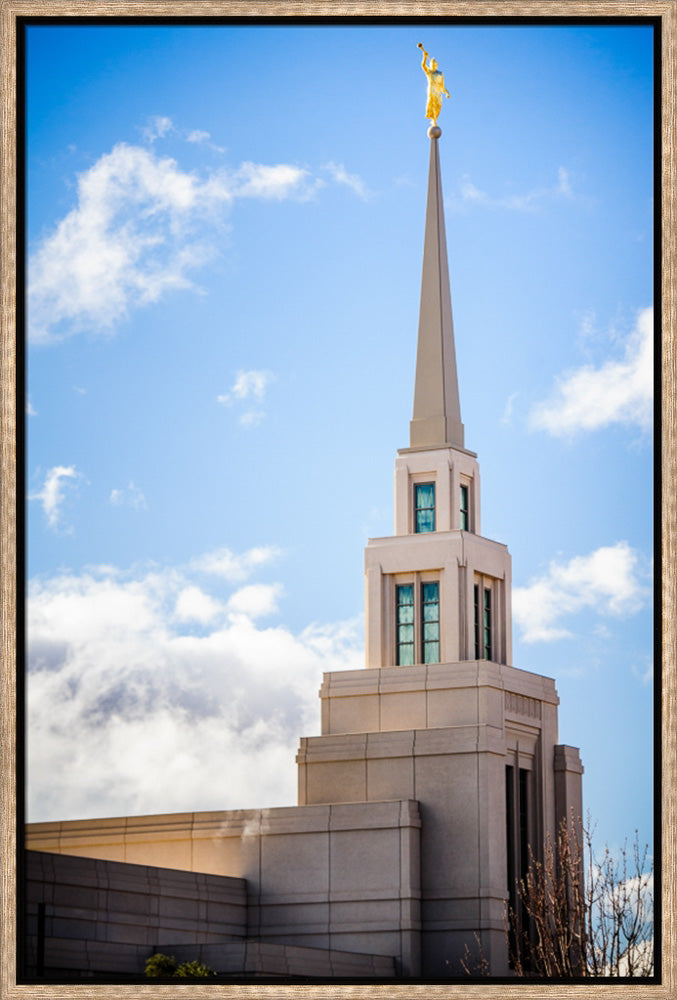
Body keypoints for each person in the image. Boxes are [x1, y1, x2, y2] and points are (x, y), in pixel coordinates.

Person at [418, 43, 450, 124]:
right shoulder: (429, 72)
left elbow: (442, 86)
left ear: (436, 65)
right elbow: (423, 66)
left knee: (438, 105)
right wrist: (424, 57)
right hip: (431, 90)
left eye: (434, 63)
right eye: (432, 63)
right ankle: (434, 120)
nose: (433, 65)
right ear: (431, 64)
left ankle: (435, 119)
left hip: (438, 91)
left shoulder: (440, 74)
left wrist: (446, 92)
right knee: (432, 105)